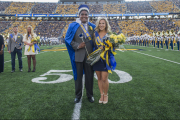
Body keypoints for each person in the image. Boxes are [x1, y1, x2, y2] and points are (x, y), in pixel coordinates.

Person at [65, 5, 96, 103]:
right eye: (82, 14)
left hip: (90, 56)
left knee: (90, 76)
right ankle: (78, 96)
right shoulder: (73, 26)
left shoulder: (93, 27)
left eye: (86, 14)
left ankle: (90, 95)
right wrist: (78, 45)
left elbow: (97, 40)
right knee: (78, 77)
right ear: (79, 15)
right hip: (78, 55)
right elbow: (68, 39)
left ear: (88, 15)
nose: (84, 16)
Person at [93, 17, 116, 104]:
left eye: (103, 23)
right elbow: (93, 46)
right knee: (99, 78)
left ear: (106, 24)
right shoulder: (95, 34)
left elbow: (113, 47)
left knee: (104, 78)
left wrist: (106, 47)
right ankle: (101, 94)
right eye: (100, 23)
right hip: (97, 59)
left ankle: (106, 95)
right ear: (98, 24)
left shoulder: (110, 34)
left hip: (106, 59)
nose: (101, 25)